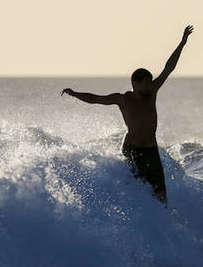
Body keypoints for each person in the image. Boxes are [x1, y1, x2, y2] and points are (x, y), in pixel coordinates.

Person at [61, 25, 193, 204]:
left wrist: (182, 43)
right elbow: (96, 99)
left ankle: (161, 222)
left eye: (150, 82)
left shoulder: (152, 91)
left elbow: (168, 68)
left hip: (151, 150)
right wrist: (75, 94)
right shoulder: (123, 99)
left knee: (161, 193)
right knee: (138, 187)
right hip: (133, 149)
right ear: (135, 84)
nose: (149, 86)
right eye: (146, 83)